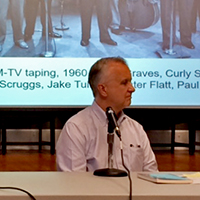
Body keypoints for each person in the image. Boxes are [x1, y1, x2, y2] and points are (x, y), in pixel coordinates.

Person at [56, 57, 158, 172]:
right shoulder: (76, 128)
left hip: (134, 190)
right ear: (103, 89)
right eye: (124, 83)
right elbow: (73, 182)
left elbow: (151, 175)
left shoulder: (136, 129)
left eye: (131, 82)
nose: (132, 89)